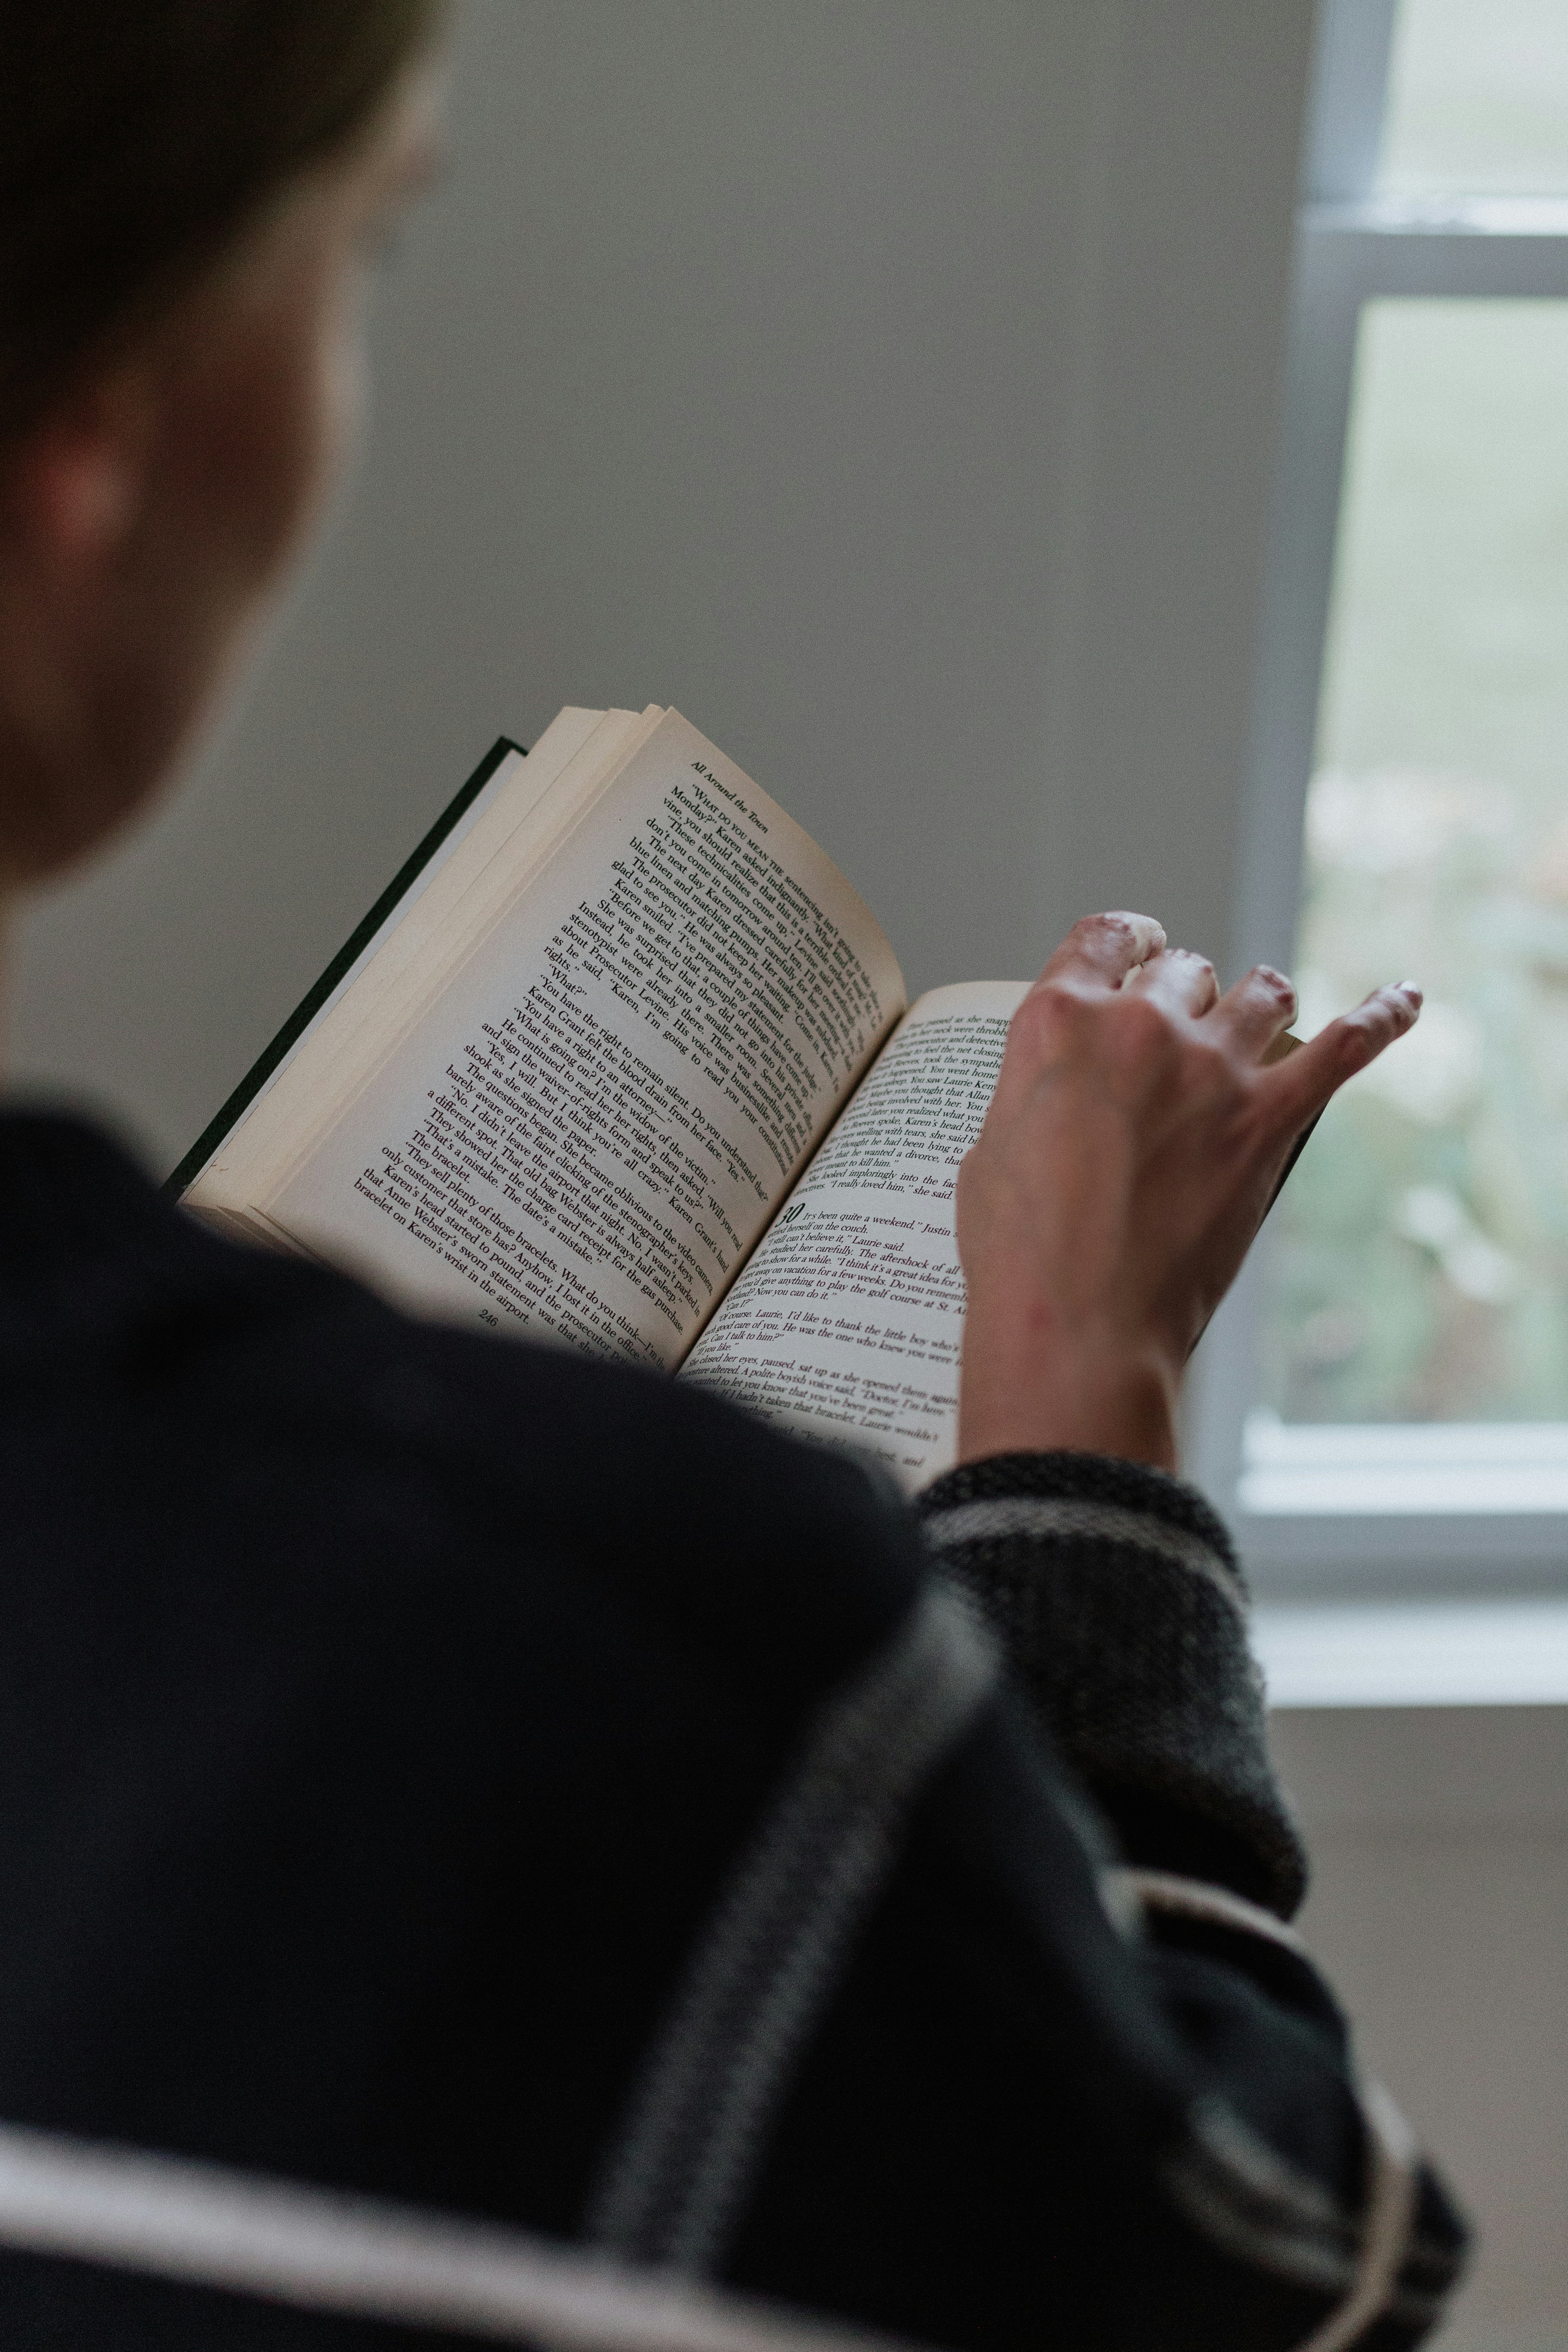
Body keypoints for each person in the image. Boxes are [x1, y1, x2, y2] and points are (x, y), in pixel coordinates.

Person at [0, 6, 1465, 2347]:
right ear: (104, 437)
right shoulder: (622, 1642)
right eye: (361, 246)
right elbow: (1263, 2274)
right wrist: (1087, 1402)